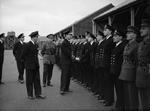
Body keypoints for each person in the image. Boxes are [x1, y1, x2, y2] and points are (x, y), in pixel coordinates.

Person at [20, 31, 45, 100]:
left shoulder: (35, 45)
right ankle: (30, 95)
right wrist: (27, 63)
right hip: (29, 66)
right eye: (37, 37)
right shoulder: (27, 45)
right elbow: (22, 56)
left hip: (36, 66)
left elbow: (35, 55)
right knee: (29, 81)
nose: (38, 38)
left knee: (37, 80)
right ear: (34, 37)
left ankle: (38, 94)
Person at [119, 26, 139, 111]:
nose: (127, 34)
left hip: (131, 74)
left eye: (129, 33)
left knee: (132, 97)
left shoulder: (136, 46)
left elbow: (137, 62)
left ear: (134, 35)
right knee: (127, 96)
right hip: (124, 74)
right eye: (127, 33)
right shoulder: (127, 44)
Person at [110, 29, 127, 111]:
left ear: (121, 37)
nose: (114, 37)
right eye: (113, 36)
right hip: (114, 71)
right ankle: (118, 106)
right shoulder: (116, 45)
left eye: (116, 36)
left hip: (119, 71)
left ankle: (120, 107)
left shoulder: (123, 45)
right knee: (117, 89)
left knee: (120, 90)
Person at [136, 18, 150, 110]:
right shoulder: (141, 43)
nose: (141, 30)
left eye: (144, 28)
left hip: (148, 74)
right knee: (143, 99)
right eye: (141, 28)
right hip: (140, 73)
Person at [103, 24, 115, 106]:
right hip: (105, 64)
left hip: (108, 64)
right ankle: (107, 98)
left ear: (110, 31)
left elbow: (111, 54)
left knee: (109, 83)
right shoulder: (106, 39)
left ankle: (109, 100)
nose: (104, 31)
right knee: (106, 83)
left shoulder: (111, 40)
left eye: (106, 30)